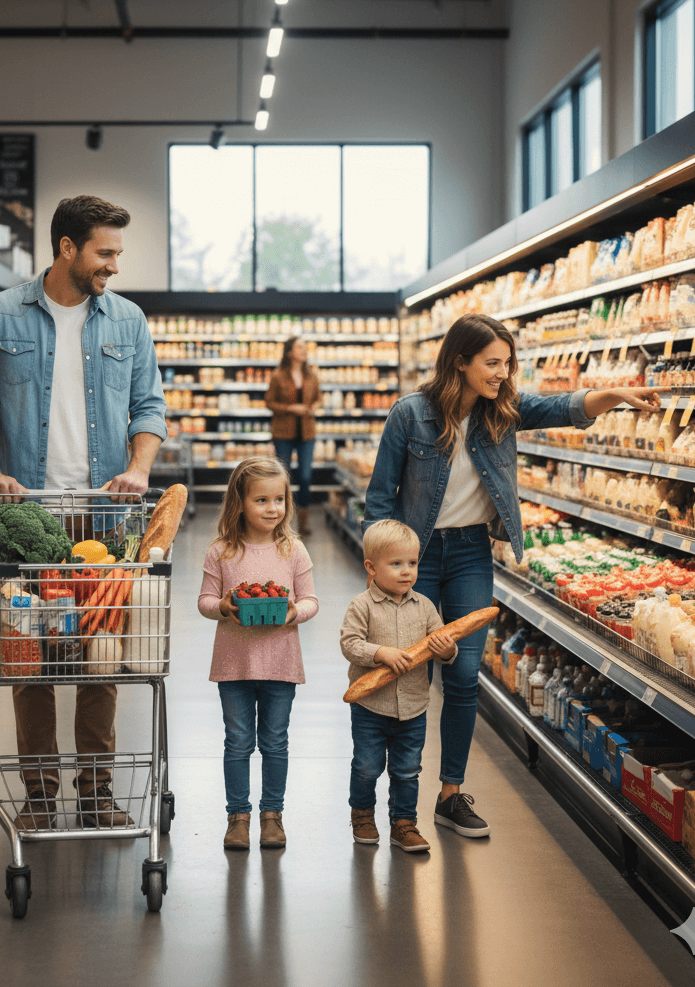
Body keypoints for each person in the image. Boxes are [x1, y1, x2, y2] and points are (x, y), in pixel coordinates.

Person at [363, 313, 660, 838]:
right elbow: (380, 497)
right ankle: (400, 806)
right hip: (414, 559)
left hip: (471, 553)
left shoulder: (503, 411)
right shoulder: (410, 414)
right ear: (461, 362)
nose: (503, 373)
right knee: (412, 677)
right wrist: (378, 573)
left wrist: (616, 395)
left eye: (507, 363)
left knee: (463, 676)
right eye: (493, 363)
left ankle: (450, 795)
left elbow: (565, 406)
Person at [0, 194, 167, 830]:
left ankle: (97, 790)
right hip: (29, 514)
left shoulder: (127, 320)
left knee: (101, 654)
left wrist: (139, 468)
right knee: (31, 656)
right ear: (67, 248)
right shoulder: (1, 315)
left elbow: (149, 406)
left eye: (117, 254)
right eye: (105, 253)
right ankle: (41, 794)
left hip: (105, 515)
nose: (114, 266)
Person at [197, 456, 319, 851]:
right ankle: (238, 816)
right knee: (237, 742)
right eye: (261, 500)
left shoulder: (293, 550)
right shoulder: (221, 551)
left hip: (281, 663)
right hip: (233, 663)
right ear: (240, 503)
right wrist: (223, 607)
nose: (272, 509)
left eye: (279, 500)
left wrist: (294, 612)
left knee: (275, 742)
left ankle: (272, 816)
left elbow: (311, 600)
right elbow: (205, 600)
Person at [340, 519, 458, 852]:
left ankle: (404, 824)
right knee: (367, 767)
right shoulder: (361, 605)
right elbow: (350, 644)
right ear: (371, 568)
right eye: (396, 564)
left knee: (407, 770)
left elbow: (443, 648)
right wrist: (380, 653)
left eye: (412, 563)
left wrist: (447, 650)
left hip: (413, 707)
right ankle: (362, 815)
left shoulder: (426, 607)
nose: (407, 571)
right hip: (371, 707)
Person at [266, 336, 321, 536]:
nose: (304, 350)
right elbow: (269, 402)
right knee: (283, 477)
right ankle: (281, 523)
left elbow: (318, 397)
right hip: (283, 432)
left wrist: (315, 405)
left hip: (307, 432)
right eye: (299, 347)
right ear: (290, 352)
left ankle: (303, 522)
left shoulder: (311, 374)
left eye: (305, 347)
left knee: (305, 477)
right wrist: (291, 408)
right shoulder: (278, 375)